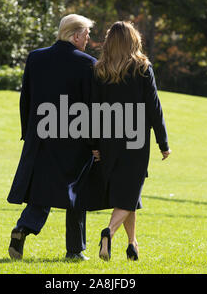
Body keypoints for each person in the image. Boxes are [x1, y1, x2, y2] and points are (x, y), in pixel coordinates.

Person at [78, 21, 171, 261]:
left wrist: (94, 144)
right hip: (136, 140)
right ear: (133, 40)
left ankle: (132, 243)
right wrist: (163, 142)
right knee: (129, 194)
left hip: (109, 140)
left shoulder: (100, 70)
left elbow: (93, 110)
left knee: (127, 192)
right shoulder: (142, 68)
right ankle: (108, 232)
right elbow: (154, 108)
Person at [7, 14, 96, 261]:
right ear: (76, 35)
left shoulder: (36, 58)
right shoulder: (88, 64)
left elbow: (26, 98)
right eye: (87, 36)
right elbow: (91, 107)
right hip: (74, 140)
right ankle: (75, 250)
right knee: (77, 192)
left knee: (42, 190)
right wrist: (95, 143)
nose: (88, 41)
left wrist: (28, 132)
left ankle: (23, 227)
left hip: (41, 137)